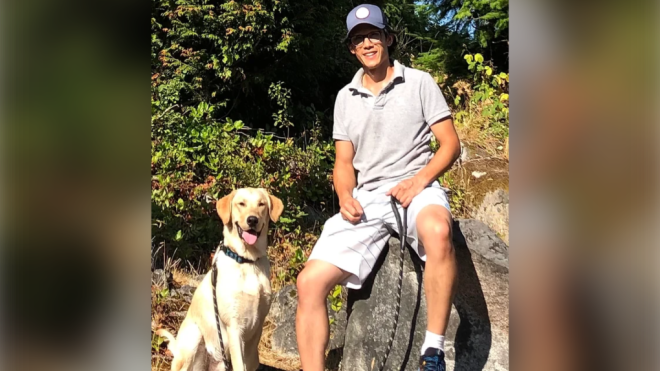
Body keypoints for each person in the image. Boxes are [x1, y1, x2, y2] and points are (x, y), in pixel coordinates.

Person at [295, 4, 460, 371]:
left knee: (437, 230)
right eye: (358, 38)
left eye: (372, 34)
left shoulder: (420, 82)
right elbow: (343, 163)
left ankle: (432, 352)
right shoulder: (344, 97)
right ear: (351, 49)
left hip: (418, 186)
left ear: (388, 38)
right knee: (309, 282)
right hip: (367, 199)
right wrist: (344, 196)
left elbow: (450, 144)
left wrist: (418, 182)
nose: (367, 43)